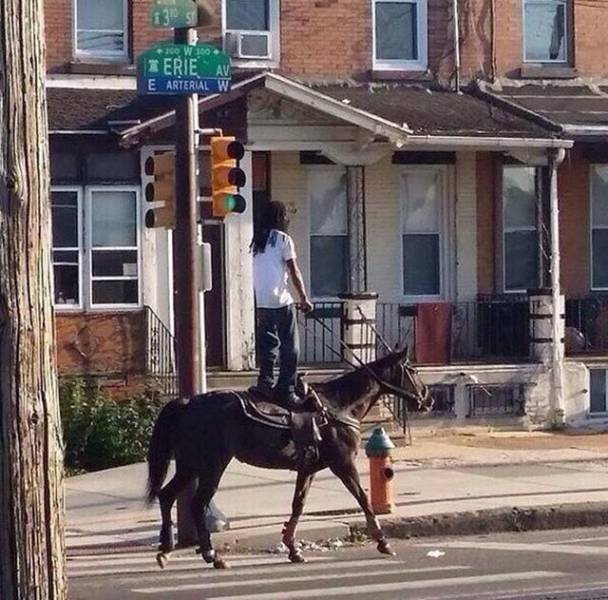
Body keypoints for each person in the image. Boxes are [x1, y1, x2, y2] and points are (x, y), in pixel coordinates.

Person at [250, 201, 313, 407]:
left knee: (269, 346)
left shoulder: (256, 242)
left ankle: (265, 383)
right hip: (281, 301)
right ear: (280, 218)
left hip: (262, 302)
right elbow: (294, 270)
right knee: (290, 347)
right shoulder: (284, 239)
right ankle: (286, 390)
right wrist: (303, 297)